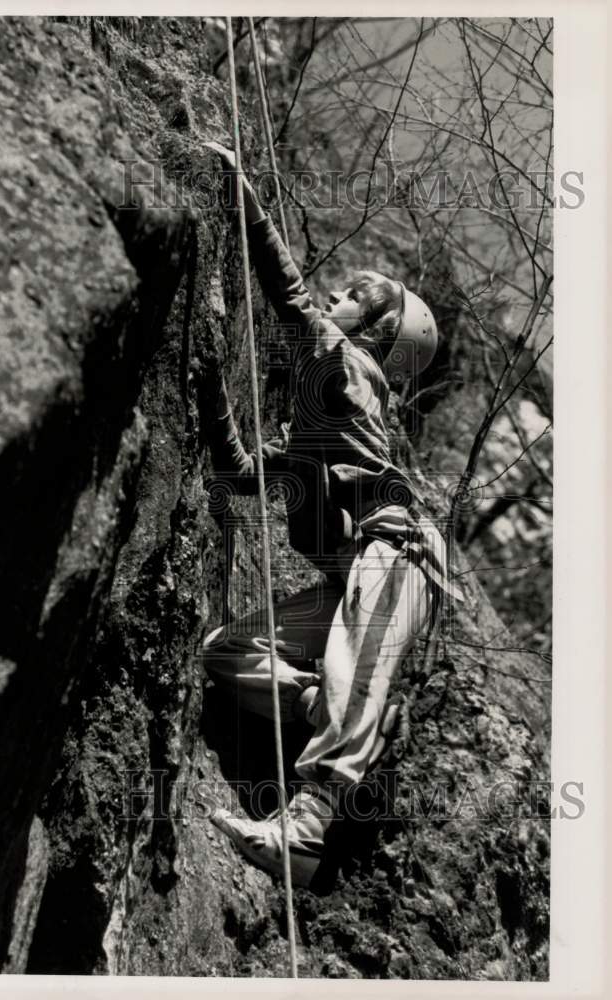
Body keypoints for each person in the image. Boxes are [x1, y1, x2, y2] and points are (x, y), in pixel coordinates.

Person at [198, 140, 461, 889]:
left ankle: (307, 829)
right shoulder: (321, 415)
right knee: (227, 652)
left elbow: (287, 297)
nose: (336, 295)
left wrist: (238, 191)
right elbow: (244, 474)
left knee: (354, 658)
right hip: (357, 573)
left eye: (354, 292)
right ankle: (335, 713)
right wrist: (210, 393)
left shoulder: (346, 377)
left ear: (375, 330)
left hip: (399, 553)